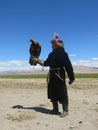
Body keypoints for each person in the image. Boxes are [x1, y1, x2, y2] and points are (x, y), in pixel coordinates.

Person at [35, 34, 75, 118]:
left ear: (56, 45)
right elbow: (46, 63)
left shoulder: (63, 54)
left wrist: (71, 78)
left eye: (52, 44)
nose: (51, 46)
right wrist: (37, 60)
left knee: (62, 92)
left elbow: (68, 66)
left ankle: (65, 110)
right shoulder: (51, 54)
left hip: (59, 74)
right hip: (52, 74)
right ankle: (55, 109)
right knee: (52, 91)